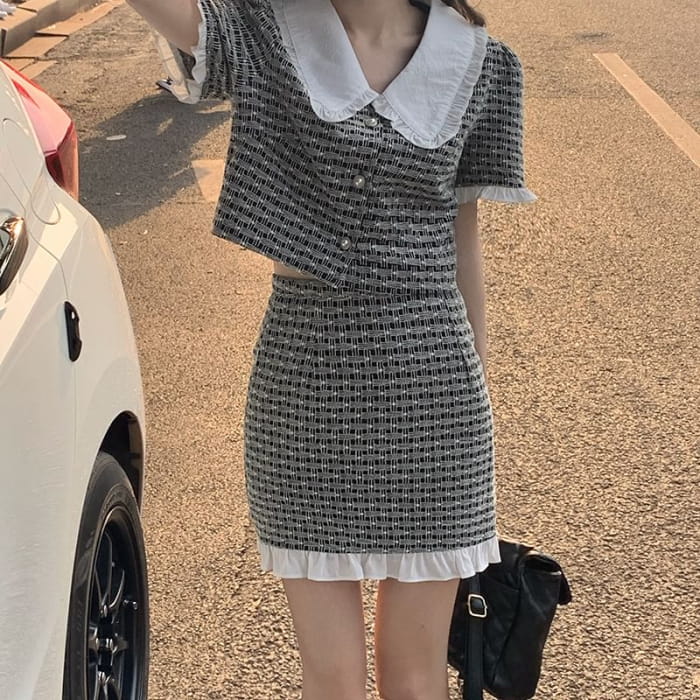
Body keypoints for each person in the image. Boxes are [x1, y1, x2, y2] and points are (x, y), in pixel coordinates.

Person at [126, 0, 538, 698]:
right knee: (333, 680)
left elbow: (461, 238)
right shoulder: (267, 33)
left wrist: (479, 403)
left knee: (415, 680)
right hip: (304, 391)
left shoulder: (483, 63)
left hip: (436, 397)